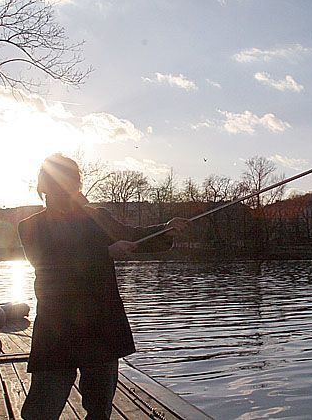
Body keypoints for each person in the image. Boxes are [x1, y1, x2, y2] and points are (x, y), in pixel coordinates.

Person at [18, 153, 190, 419]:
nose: (64, 188)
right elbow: (48, 263)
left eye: (70, 181)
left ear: (76, 184)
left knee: (99, 409)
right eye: (56, 182)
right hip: (56, 329)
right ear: (43, 187)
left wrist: (165, 230)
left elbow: (132, 236)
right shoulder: (30, 226)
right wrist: (105, 253)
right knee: (41, 410)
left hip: (101, 326)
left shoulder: (98, 217)